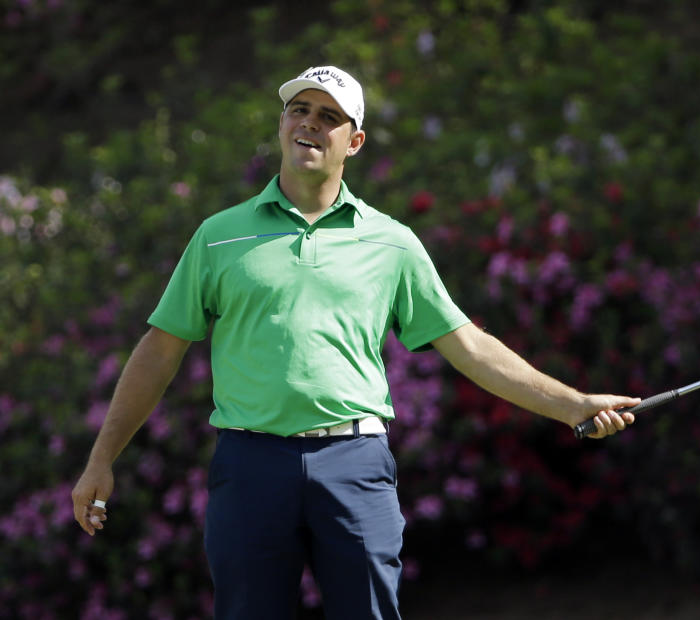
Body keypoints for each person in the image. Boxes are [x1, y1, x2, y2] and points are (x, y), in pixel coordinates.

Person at [71, 65, 640, 620]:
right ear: (281, 125)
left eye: (328, 116)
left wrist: (574, 405)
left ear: (355, 141)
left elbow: (469, 345)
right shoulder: (221, 236)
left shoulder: (391, 242)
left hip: (354, 464)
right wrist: (102, 459)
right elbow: (160, 350)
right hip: (249, 466)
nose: (309, 124)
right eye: (299, 110)